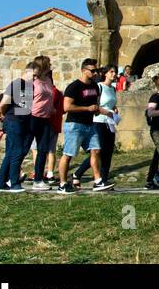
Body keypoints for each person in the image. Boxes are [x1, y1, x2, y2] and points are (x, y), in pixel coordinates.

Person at [57, 58, 114, 193]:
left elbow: (96, 105)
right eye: (92, 71)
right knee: (68, 154)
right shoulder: (74, 87)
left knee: (96, 150)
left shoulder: (95, 86)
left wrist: (105, 112)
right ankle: (63, 184)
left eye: (97, 70)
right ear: (83, 71)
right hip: (75, 125)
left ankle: (98, 181)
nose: (95, 73)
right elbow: (67, 107)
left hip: (90, 124)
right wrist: (87, 108)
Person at [0, 64, 35, 193]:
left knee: (11, 153)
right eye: (34, 75)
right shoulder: (17, 83)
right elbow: (3, 103)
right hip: (13, 120)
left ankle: (0, 184)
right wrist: (5, 115)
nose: (35, 79)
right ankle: (14, 183)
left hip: (24, 121)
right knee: (16, 151)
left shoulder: (31, 87)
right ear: (27, 71)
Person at [75, 66, 119, 185]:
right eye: (111, 72)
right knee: (98, 151)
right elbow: (95, 105)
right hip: (99, 121)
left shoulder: (113, 89)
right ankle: (78, 173)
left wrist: (114, 109)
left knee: (108, 151)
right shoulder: (99, 86)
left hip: (109, 122)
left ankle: (103, 179)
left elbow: (111, 103)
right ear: (105, 74)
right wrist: (107, 112)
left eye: (115, 72)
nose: (114, 74)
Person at [29, 56, 59, 189]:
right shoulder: (32, 80)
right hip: (32, 117)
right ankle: (11, 176)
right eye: (49, 64)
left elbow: (49, 95)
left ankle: (38, 179)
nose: (51, 66)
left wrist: (51, 107)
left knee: (43, 149)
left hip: (45, 118)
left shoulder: (48, 79)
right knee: (24, 148)